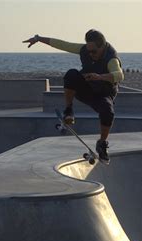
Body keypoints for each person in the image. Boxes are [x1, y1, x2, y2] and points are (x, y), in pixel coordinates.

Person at [23, 29, 124, 163]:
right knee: (71, 74)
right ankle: (68, 110)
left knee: (108, 112)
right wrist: (38, 38)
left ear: (102, 47)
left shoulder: (111, 58)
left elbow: (119, 75)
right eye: (89, 51)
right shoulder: (85, 49)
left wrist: (100, 77)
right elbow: (63, 44)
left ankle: (102, 143)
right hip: (86, 89)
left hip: (103, 94)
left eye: (94, 51)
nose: (91, 54)